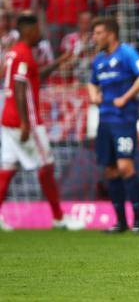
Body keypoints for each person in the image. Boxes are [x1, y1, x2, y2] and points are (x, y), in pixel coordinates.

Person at [0, 14, 82, 231]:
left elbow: (35, 77)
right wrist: (26, 123)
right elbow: (19, 89)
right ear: (28, 31)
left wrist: (59, 61)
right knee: (47, 165)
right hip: (25, 121)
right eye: (37, 30)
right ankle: (58, 218)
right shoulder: (23, 55)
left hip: (7, 120)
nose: (40, 34)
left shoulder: (14, 53)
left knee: (7, 167)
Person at [88, 16, 139, 233]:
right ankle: (120, 222)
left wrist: (126, 97)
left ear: (111, 34)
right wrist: (94, 94)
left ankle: (138, 222)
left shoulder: (126, 53)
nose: (95, 37)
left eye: (98, 33)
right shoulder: (98, 60)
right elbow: (91, 82)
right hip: (104, 120)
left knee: (125, 166)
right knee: (110, 170)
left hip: (124, 119)